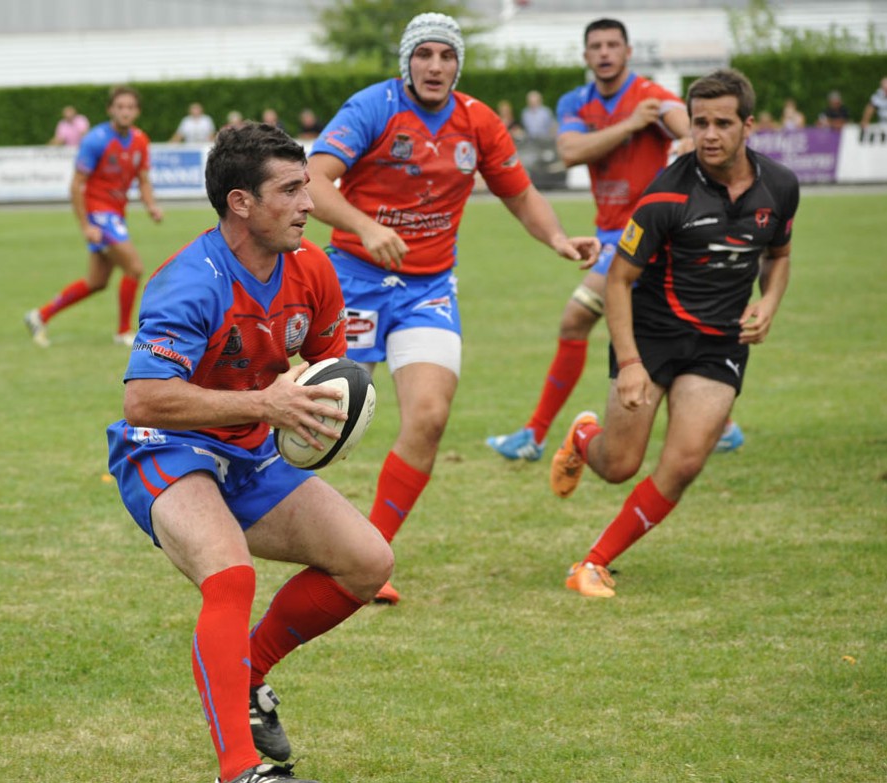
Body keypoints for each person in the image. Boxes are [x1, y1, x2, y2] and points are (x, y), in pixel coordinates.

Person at [106, 122, 393, 783]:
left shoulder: (313, 268)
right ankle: (239, 769)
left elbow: (328, 365)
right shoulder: (190, 280)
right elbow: (144, 400)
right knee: (231, 573)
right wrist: (266, 404)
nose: (310, 204)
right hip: (168, 449)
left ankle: (249, 674)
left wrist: (323, 415)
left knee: (368, 562)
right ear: (241, 203)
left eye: (309, 187)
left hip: (251, 453)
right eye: (291, 190)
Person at [306, 12, 599, 604]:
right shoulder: (373, 108)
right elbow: (312, 179)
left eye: (446, 55)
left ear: (457, 63)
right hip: (353, 282)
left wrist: (559, 240)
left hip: (427, 291)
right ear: (407, 62)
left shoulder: (477, 121)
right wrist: (366, 226)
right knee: (307, 415)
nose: (435, 65)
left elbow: (520, 192)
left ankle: (370, 560)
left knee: (430, 417)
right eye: (424, 55)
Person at [550, 68, 799, 598]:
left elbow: (778, 255)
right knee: (619, 465)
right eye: (700, 122)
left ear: (748, 125)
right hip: (652, 335)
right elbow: (618, 280)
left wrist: (770, 301)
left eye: (723, 123)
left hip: (719, 343)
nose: (709, 134)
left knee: (684, 463)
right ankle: (583, 436)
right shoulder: (665, 195)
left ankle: (592, 563)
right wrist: (631, 361)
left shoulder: (780, 187)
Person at [487, 18, 746, 462]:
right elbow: (570, 151)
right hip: (612, 235)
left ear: (628, 52)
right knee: (660, 324)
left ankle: (535, 434)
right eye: (596, 46)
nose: (604, 53)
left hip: (648, 238)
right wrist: (629, 125)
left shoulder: (649, 94)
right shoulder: (577, 101)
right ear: (586, 56)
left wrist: (685, 137)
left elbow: (685, 125)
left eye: (613, 45)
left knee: (576, 321)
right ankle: (722, 424)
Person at [24, 85, 162, 348]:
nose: (125, 112)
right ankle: (123, 331)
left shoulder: (141, 141)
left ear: (138, 111)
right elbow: (76, 185)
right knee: (134, 267)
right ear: (110, 109)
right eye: (120, 107)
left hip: (117, 215)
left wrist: (151, 206)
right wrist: (86, 225)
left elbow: (143, 179)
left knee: (97, 282)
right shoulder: (96, 139)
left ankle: (39, 316)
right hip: (100, 214)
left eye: (130, 107)